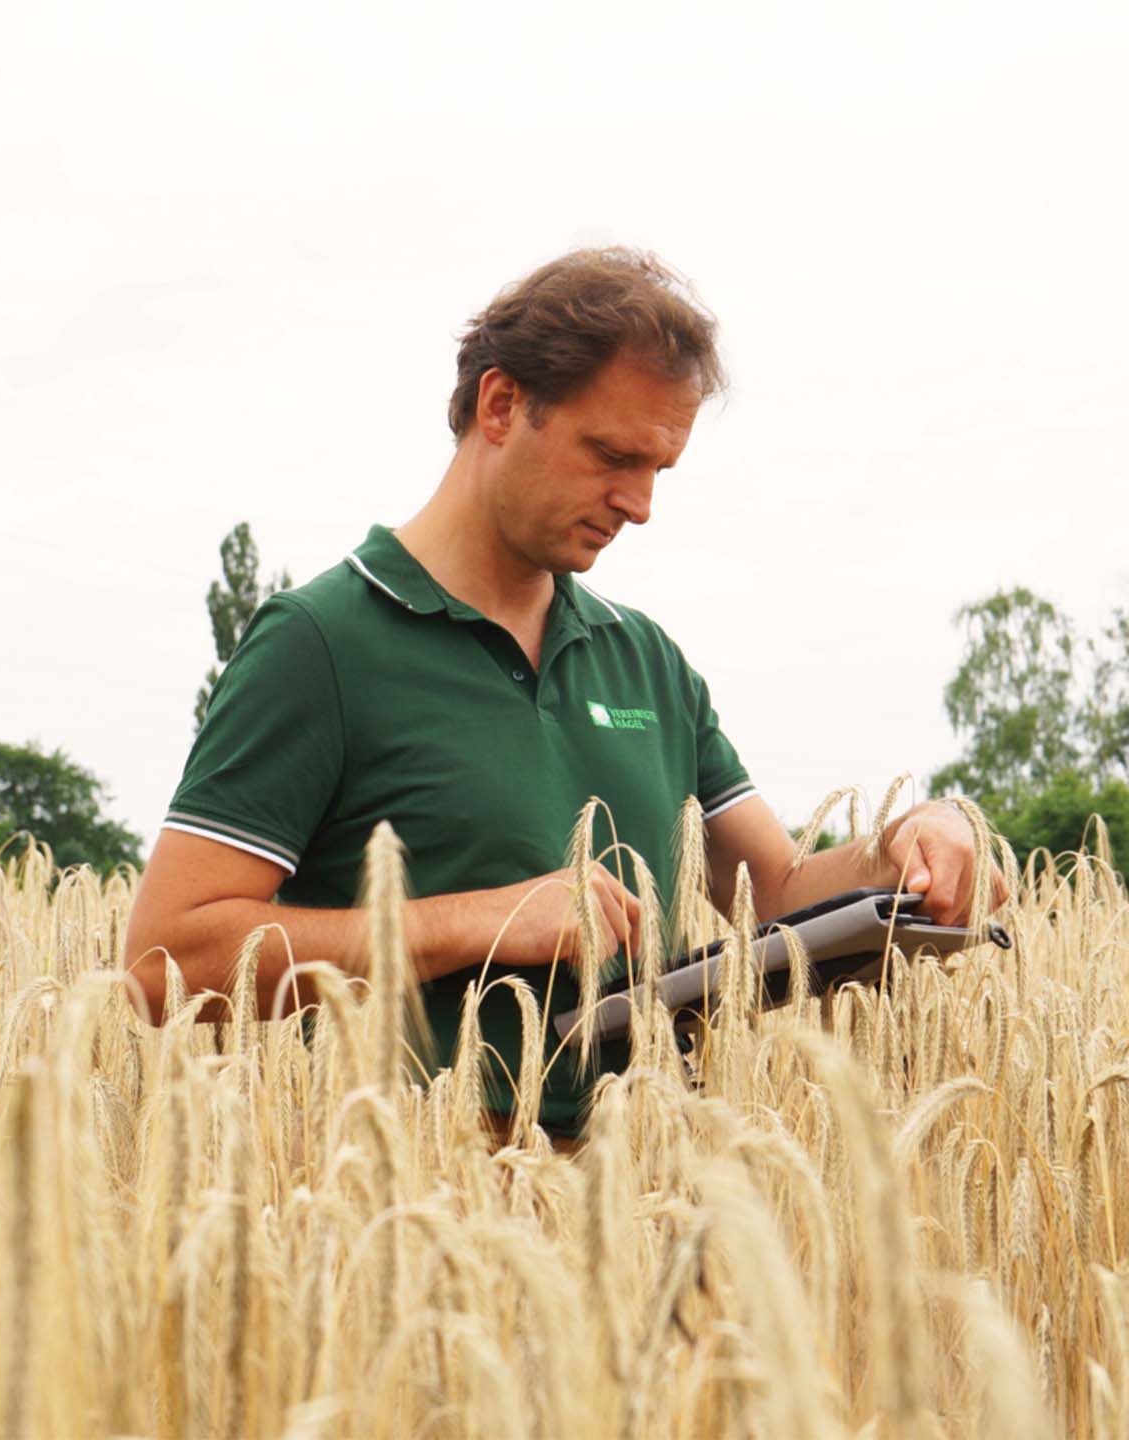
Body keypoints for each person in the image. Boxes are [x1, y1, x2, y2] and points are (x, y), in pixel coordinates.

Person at [124, 248, 1003, 1136]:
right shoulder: (320, 643)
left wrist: (905, 851)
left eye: (661, 468)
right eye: (612, 455)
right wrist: (486, 923)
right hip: (409, 1216)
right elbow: (165, 963)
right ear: (501, 406)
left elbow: (774, 891)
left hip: (648, 1203)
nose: (640, 503)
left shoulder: (645, 660)